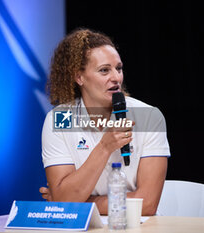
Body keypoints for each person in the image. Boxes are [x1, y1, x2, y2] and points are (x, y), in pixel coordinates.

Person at [39, 28, 170, 216]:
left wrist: (80, 203)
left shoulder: (148, 116)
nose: (116, 78)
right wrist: (104, 147)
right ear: (79, 77)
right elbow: (64, 202)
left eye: (119, 68)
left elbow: (147, 204)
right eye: (104, 70)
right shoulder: (60, 119)